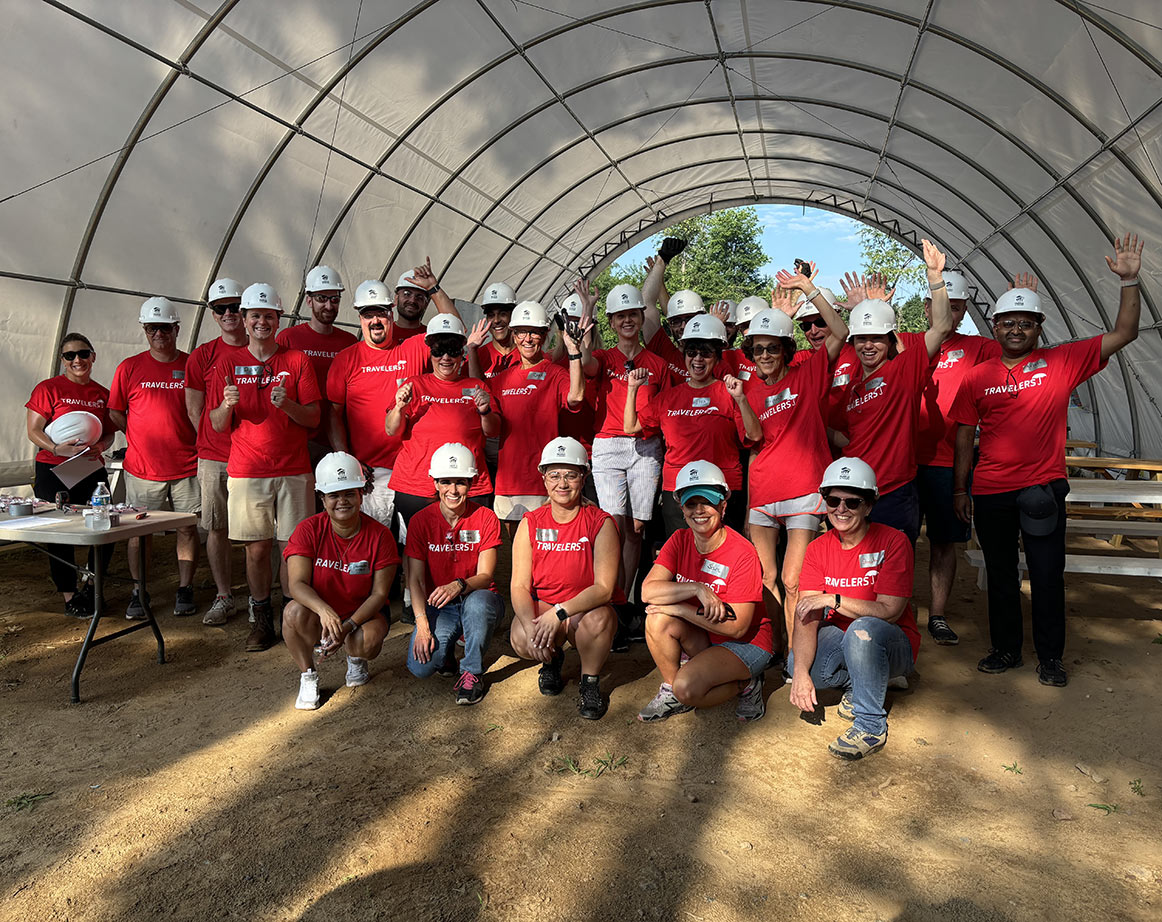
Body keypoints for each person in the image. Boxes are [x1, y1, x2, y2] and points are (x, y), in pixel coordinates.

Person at [950, 233, 1144, 688]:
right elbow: (963, 434)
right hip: (991, 490)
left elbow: (1125, 334)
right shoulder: (977, 376)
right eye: (1007, 322)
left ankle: (1051, 657)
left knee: (1046, 574)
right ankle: (1006, 650)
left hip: (1042, 487)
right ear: (993, 327)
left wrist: (1130, 280)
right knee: (1000, 574)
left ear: (1039, 328)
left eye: (1026, 322)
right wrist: (961, 488)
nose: (1016, 329)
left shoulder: (1062, 361)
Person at [209, 282, 321, 651]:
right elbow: (217, 424)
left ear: (278, 319)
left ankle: (296, 615)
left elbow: (313, 418)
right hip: (247, 471)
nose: (262, 322)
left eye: (268, 316)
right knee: (256, 549)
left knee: (294, 548)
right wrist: (227, 404)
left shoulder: (297, 360)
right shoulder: (228, 362)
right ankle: (261, 619)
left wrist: (287, 404)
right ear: (243, 319)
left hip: (293, 470)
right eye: (255, 315)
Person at [744, 271, 850, 653]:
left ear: (786, 351)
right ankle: (773, 646)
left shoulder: (808, 375)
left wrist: (809, 290)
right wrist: (741, 400)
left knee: (792, 580)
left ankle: (795, 656)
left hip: (803, 490)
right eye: (758, 349)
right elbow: (753, 439)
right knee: (765, 576)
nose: (766, 356)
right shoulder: (748, 389)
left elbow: (839, 333)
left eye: (773, 348)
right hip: (763, 493)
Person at [790, 457, 921, 760]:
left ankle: (870, 725)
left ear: (869, 505)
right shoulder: (817, 548)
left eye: (852, 502)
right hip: (844, 638)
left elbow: (890, 610)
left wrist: (834, 599)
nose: (841, 509)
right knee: (803, 667)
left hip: (891, 640)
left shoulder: (894, 541)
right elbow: (806, 612)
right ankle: (865, 682)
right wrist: (799, 673)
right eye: (834, 500)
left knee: (863, 630)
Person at [832, 240, 954, 545]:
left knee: (895, 574)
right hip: (855, 492)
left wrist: (935, 276)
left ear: (890, 341)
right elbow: (839, 432)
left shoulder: (904, 370)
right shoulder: (850, 386)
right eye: (861, 339)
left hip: (895, 490)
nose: (867, 345)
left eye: (876, 339)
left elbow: (940, 327)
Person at [327, 265, 462, 531]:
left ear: (391, 313)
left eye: (381, 313)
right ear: (359, 317)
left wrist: (433, 289)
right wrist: (347, 459)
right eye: (368, 314)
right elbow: (333, 414)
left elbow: (453, 326)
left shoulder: (411, 348)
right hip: (369, 473)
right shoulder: (346, 359)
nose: (375, 321)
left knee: (411, 546)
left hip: (412, 470)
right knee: (373, 542)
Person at [637, 461, 770, 722]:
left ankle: (748, 684)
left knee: (687, 687)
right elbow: (647, 591)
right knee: (657, 619)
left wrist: (679, 608)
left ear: (723, 505)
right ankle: (672, 690)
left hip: (745, 644)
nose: (699, 511)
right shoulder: (679, 540)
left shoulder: (742, 552)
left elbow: (738, 628)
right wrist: (697, 588)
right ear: (682, 508)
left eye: (706, 502)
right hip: (706, 633)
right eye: (691, 504)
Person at [914, 270, 1002, 646]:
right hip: (901, 462)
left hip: (949, 464)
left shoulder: (980, 348)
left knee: (943, 542)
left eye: (955, 307)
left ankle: (937, 615)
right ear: (925, 309)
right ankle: (892, 611)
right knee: (892, 541)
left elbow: (1021, 356)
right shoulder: (907, 344)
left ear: (964, 310)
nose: (947, 313)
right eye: (940, 306)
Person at [509, 437, 619, 720]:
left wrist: (560, 612)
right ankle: (553, 659)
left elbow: (604, 589)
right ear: (543, 478)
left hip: (583, 609)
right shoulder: (531, 522)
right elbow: (519, 585)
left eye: (571, 475)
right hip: (546, 605)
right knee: (521, 636)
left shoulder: (600, 521)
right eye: (554, 475)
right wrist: (529, 625)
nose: (562, 483)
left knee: (601, 619)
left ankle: (590, 681)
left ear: (584, 477)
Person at [282, 452, 398, 710]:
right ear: (322, 499)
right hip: (320, 612)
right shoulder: (308, 530)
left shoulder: (380, 536)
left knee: (367, 642)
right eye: (334, 495)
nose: (342, 501)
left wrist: (346, 626)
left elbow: (379, 595)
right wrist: (324, 611)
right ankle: (308, 674)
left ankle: (356, 659)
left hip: (362, 613)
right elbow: (297, 584)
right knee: (292, 613)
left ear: (361, 494)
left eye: (349, 493)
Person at [624, 314, 760, 533]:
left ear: (717, 357)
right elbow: (631, 428)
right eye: (691, 352)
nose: (697, 359)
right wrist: (632, 389)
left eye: (705, 353)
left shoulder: (730, 392)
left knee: (723, 555)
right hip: (678, 488)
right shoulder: (669, 397)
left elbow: (754, 436)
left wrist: (741, 399)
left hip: (722, 487)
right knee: (682, 555)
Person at [108, 297, 200, 619]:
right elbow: (116, 412)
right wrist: (137, 435)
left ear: (176, 328)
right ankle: (138, 590)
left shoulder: (193, 365)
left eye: (164, 327)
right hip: (143, 470)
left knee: (187, 530)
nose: (158, 333)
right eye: (151, 328)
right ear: (145, 331)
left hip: (188, 467)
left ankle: (185, 588)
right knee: (139, 534)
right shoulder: (129, 368)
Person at [579, 283, 669, 606]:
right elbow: (585, 359)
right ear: (612, 322)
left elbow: (665, 409)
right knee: (613, 524)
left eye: (632, 314)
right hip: (608, 446)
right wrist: (587, 307)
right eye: (620, 316)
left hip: (646, 448)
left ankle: (624, 598)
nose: (627, 321)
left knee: (637, 525)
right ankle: (609, 595)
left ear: (641, 317)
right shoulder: (605, 359)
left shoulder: (657, 364)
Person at [25, 332, 116, 617]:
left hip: (90, 467)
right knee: (60, 530)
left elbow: (110, 432)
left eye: (83, 353)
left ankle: (91, 584)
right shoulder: (48, 388)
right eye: (70, 355)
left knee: (106, 524)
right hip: (53, 469)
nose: (78, 360)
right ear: (63, 361)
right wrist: (55, 447)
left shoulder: (102, 394)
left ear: (93, 356)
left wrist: (100, 445)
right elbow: (33, 430)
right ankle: (70, 595)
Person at [405, 443, 504, 704]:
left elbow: (486, 577)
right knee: (421, 666)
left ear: (470, 484)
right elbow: (414, 580)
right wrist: (422, 625)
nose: (453, 490)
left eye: (460, 482)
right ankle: (446, 651)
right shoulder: (420, 521)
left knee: (478, 602)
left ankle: (471, 672)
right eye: (446, 482)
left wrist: (458, 585)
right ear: (436, 483)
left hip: (478, 599)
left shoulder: (485, 517)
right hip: (440, 606)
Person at [386, 313, 499, 525]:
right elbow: (392, 430)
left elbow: (492, 431)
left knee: (468, 549)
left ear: (462, 355)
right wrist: (399, 408)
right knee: (413, 550)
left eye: (453, 350)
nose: (446, 357)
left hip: (468, 486)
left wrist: (485, 411)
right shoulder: (414, 385)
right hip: (417, 485)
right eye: (439, 350)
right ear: (430, 353)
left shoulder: (477, 387)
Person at [491, 301, 587, 535]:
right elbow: (482, 406)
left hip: (542, 481)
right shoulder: (501, 379)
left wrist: (574, 352)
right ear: (513, 335)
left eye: (534, 332)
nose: (527, 339)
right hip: (508, 481)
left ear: (544, 336)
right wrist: (472, 351)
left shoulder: (555, 373)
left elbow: (576, 397)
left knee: (544, 548)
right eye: (522, 332)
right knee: (513, 555)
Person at [186, 277, 248, 625]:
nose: (228, 314)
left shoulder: (259, 348)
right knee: (216, 526)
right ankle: (224, 595)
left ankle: (266, 594)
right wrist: (212, 444)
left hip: (255, 457)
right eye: (220, 308)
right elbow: (195, 410)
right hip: (216, 457)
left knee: (265, 529)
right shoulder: (203, 356)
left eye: (234, 307)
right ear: (212, 313)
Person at [276, 265, 357, 463]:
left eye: (334, 299)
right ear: (309, 300)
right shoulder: (289, 339)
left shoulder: (349, 342)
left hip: (337, 439)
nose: (329, 306)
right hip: (299, 441)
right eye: (322, 298)